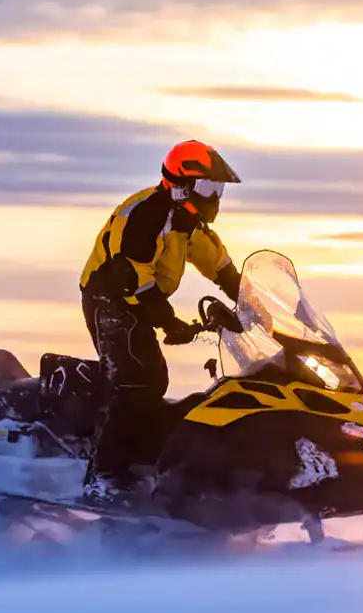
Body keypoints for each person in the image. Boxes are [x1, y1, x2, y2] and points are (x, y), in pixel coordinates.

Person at [79, 139, 243, 503]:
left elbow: (220, 266)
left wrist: (255, 303)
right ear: (180, 184)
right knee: (137, 378)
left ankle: (142, 462)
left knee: (154, 378)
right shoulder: (148, 215)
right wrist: (171, 322)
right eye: (207, 187)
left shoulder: (188, 224)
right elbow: (134, 279)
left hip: (139, 300)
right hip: (110, 297)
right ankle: (102, 477)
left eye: (217, 189)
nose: (214, 197)